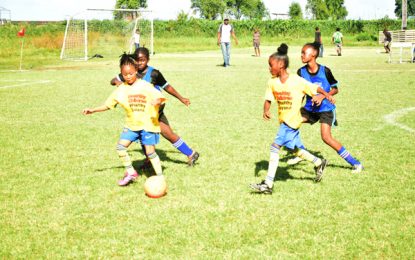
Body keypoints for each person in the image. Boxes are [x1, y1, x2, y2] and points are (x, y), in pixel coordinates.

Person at [250, 43, 335, 194]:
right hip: (284, 120)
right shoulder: (272, 82)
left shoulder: (297, 80)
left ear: (281, 65)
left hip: (292, 121)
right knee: (294, 149)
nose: (269, 68)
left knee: (274, 147)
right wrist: (266, 110)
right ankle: (318, 162)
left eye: (271, 65)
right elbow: (268, 99)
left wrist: (326, 95)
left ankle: (268, 184)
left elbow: (315, 88)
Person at [83, 53, 166, 186]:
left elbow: (160, 97)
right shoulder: (121, 90)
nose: (128, 76)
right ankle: (131, 172)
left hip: (147, 125)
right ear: (121, 74)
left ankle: (160, 177)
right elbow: (108, 105)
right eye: (125, 74)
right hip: (132, 125)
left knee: (150, 152)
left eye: (131, 73)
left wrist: (157, 101)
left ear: (135, 71)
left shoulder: (145, 85)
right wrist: (93, 110)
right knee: (120, 148)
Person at [111, 47, 199, 167]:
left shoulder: (154, 73)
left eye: (143, 60)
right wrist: (118, 83)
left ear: (148, 59)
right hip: (141, 113)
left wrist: (181, 98)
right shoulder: (131, 72)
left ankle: (190, 153)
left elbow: (167, 87)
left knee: (166, 134)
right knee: (147, 134)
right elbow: (114, 79)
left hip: (155, 112)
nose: (140, 62)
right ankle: (150, 159)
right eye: (137, 60)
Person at [288, 42, 363, 173]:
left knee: (326, 138)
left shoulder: (325, 71)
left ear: (313, 55)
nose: (301, 55)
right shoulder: (301, 72)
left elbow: (335, 89)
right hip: (310, 108)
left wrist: (322, 96)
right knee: (291, 122)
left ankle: (355, 163)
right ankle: (300, 152)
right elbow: (302, 90)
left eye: (304, 53)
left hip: (326, 109)